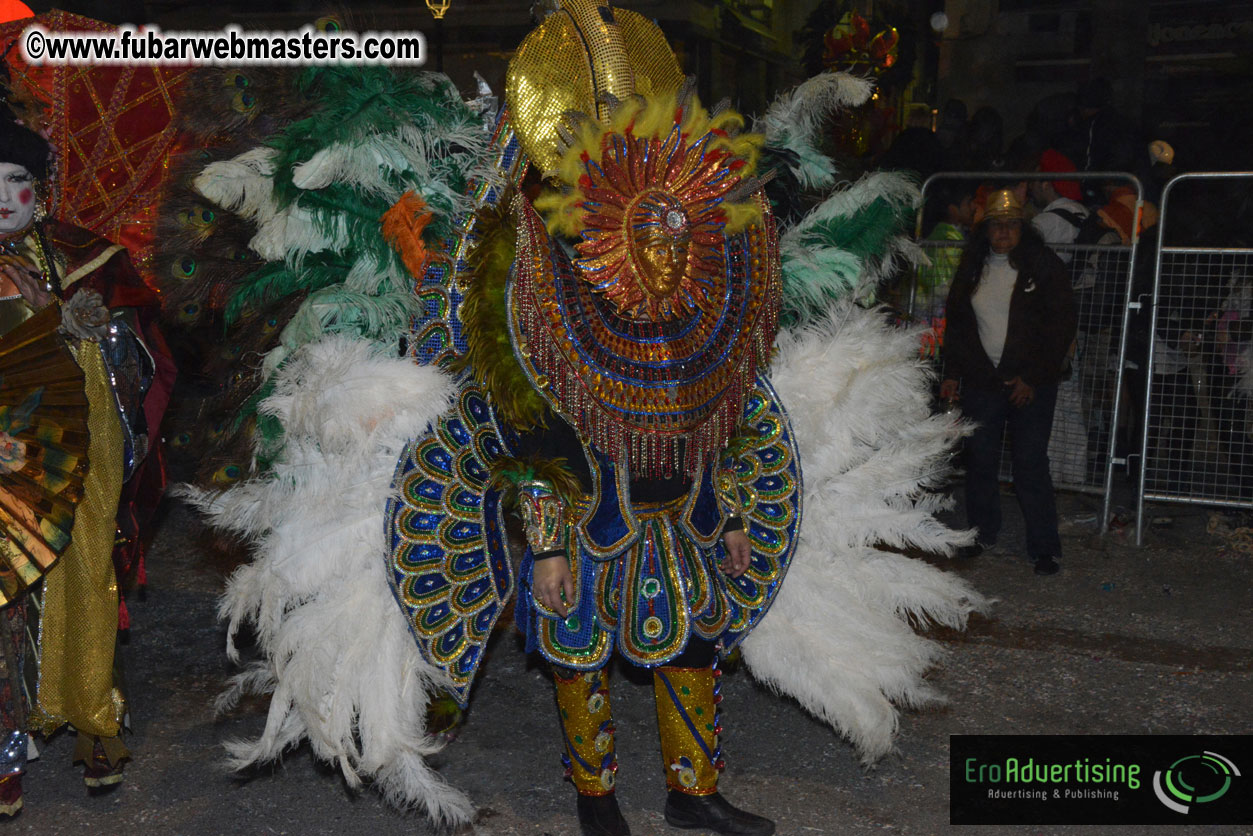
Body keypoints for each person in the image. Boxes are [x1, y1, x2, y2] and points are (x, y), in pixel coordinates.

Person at [0, 106, 171, 814]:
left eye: (17, 180)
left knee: (82, 566)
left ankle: (91, 712)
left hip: (72, 453)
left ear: (43, 189)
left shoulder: (84, 260)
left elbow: (144, 361)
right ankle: (7, 742)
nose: (3, 198)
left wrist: (87, 334)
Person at [940, 189, 1076, 575]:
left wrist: (1032, 376)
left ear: (1023, 228)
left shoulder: (1043, 266)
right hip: (984, 378)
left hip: (1032, 381)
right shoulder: (972, 267)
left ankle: (1045, 546)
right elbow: (959, 327)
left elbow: (1060, 326)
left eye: (1011, 224)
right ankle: (981, 533)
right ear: (985, 231)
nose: (1003, 232)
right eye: (996, 225)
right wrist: (952, 373)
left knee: (1030, 462)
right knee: (980, 458)